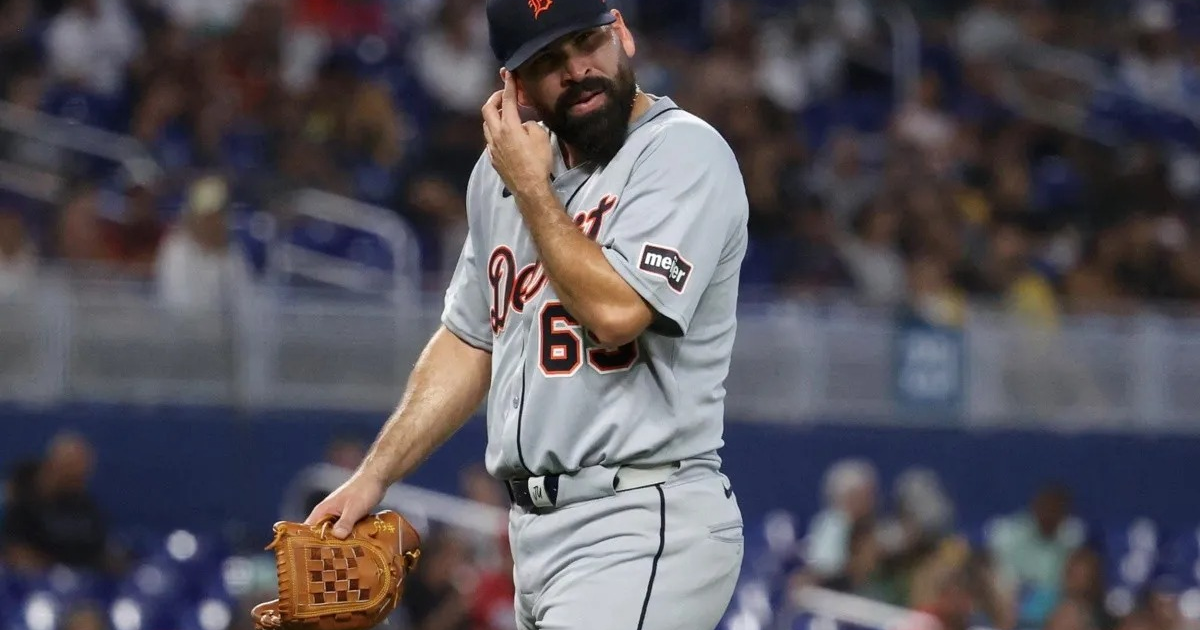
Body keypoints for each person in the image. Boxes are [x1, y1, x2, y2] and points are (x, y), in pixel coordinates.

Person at [303, 1, 749, 629]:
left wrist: (535, 191)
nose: (576, 70)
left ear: (621, 32)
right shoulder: (499, 175)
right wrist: (374, 477)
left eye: (587, 43)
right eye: (547, 61)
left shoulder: (681, 153)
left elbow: (619, 311)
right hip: (534, 537)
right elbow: (467, 341)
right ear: (513, 87)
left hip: (641, 515)